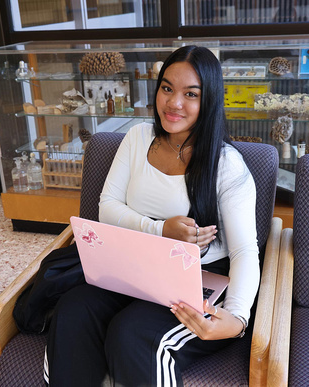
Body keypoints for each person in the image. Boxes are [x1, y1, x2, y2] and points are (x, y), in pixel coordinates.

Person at [44, 45, 259, 386]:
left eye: (191, 94)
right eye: (167, 88)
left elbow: (245, 251)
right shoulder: (137, 137)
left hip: (196, 278)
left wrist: (237, 318)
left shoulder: (226, 165)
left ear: (210, 101)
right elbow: (107, 207)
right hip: (130, 265)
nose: (174, 103)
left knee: (131, 335)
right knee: (73, 311)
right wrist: (160, 230)